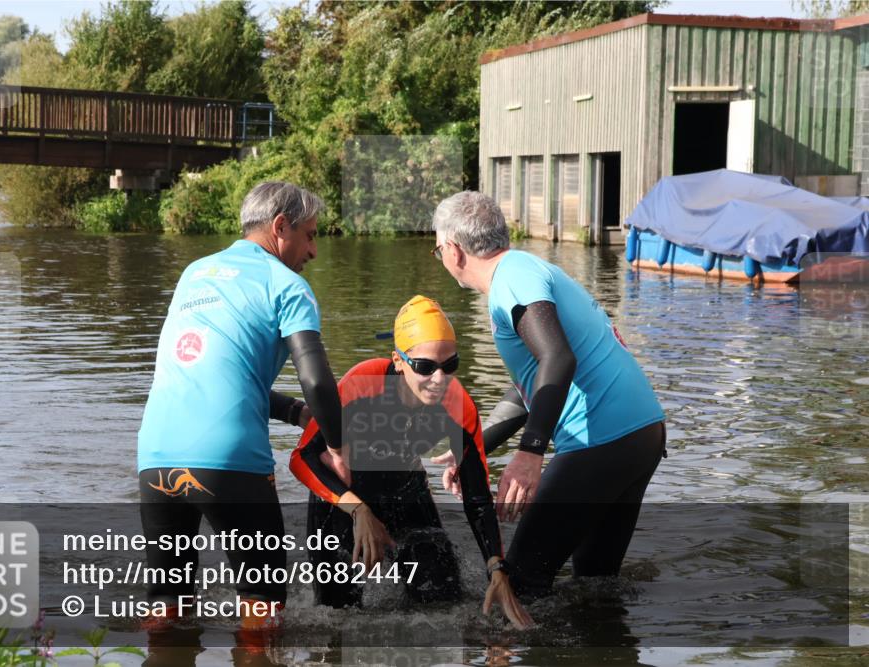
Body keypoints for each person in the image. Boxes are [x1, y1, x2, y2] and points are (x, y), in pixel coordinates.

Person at [430, 191, 666, 598]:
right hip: (641, 433)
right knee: (595, 584)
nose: (442, 258)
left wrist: (530, 454)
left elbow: (557, 359)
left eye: (438, 249)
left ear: (453, 249)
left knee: (518, 582)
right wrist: (477, 446)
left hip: (602, 440)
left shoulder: (511, 281)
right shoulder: (524, 269)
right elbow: (534, 380)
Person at [137, 181, 344, 629]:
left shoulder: (195, 272)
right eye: (310, 235)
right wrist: (339, 447)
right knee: (263, 601)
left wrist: (294, 414)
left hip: (155, 457)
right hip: (230, 462)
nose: (313, 251)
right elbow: (317, 379)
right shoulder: (287, 285)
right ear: (280, 226)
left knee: (165, 604)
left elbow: (219, 375)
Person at [290, 295, 533, 630]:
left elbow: (477, 497)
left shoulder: (457, 403)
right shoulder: (362, 383)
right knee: (338, 618)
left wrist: (496, 567)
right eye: (425, 367)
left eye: (450, 366)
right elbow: (301, 458)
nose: (439, 379)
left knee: (442, 597)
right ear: (399, 360)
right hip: (341, 501)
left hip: (406, 492)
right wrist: (358, 511)